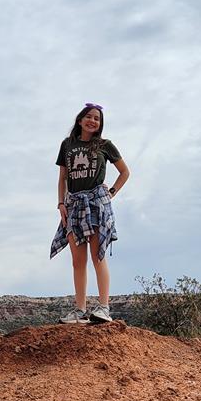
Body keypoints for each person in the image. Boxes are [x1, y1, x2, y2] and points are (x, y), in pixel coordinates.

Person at [50, 103, 130, 323]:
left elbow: (125, 172)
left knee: (98, 255)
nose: (93, 121)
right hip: (73, 204)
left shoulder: (105, 145)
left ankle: (104, 307)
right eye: (89, 117)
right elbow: (62, 178)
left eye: (97, 118)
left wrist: (112, 192)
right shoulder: (67, 145)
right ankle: (80, 310)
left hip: (96, 203)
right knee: (78, 260)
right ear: (79, 120)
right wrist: (61, 204)